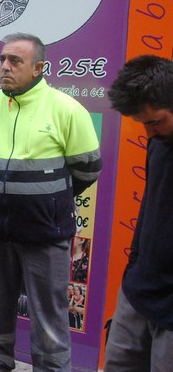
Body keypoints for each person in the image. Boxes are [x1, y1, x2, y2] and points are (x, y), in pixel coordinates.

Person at [0, 33, 102, 371]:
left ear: (38, 68)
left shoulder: (67, 109)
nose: (4, 66)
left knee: (49, 317)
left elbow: (88, 170)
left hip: (46, 234)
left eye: (15, 61)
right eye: (2, 59)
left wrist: (48, 202)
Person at [104, 55, 173, 371]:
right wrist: (133, 265)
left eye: (155, 121)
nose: (148, 133)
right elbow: (149, 204)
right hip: (138, 290)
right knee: (117, 364)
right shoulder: (159, 141)